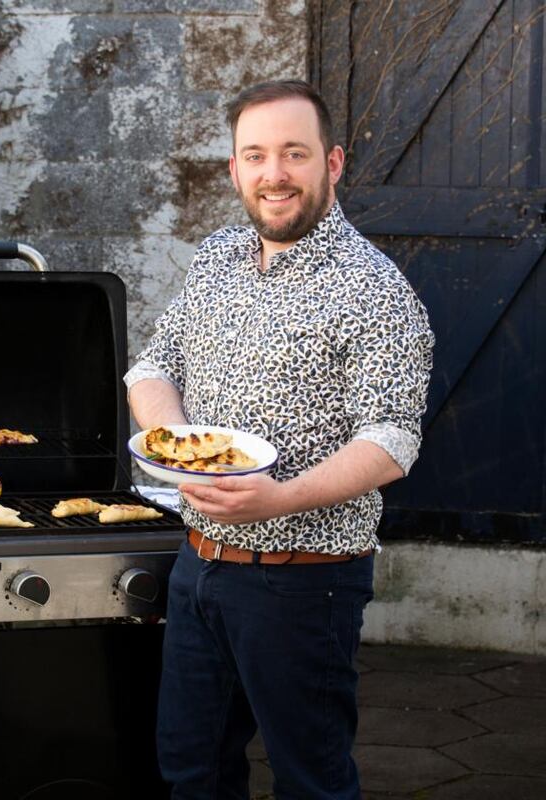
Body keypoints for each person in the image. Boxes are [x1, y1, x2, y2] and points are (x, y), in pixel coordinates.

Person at [124, 80, 435, 799]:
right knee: (192, 770)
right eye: (255, 155)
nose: (274, 175)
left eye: (293, 153)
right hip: (199, 564)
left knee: (311, 781)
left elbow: (391, 438)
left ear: (331, 162)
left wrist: (281, 497)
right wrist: (172, 444)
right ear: (234, 169)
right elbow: (153, 365)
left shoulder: (373, 289)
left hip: (304, 577)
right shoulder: (217, 260)